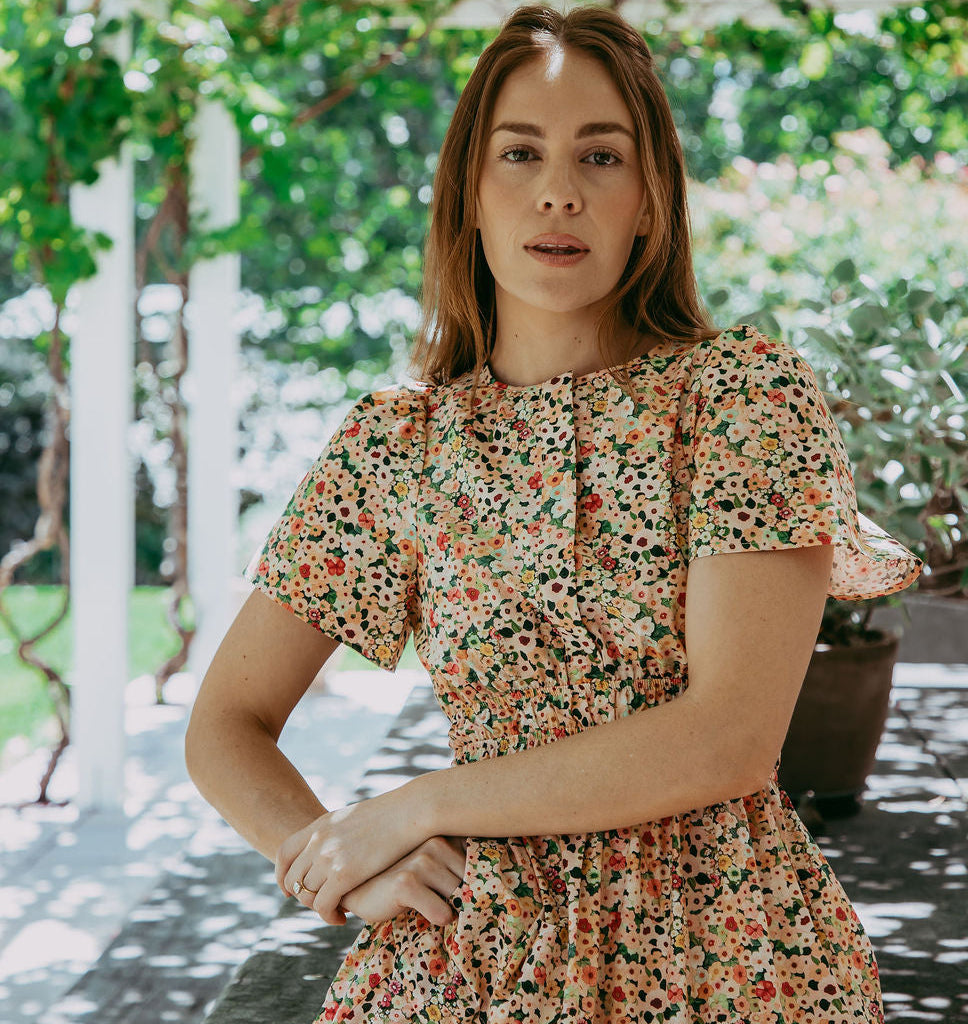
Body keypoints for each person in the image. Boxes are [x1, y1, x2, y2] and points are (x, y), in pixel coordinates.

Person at [185, 5, 922, 1022]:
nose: (559, 191)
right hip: (463, 962)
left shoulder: (742, 398)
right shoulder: (398, 445)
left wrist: (416, 804)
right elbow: (226, 723)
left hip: (728, 956)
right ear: (469, 200)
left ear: (650, 204)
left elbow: (728, 739)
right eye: (519, 154)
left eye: (602, 157)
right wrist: (334, 865)